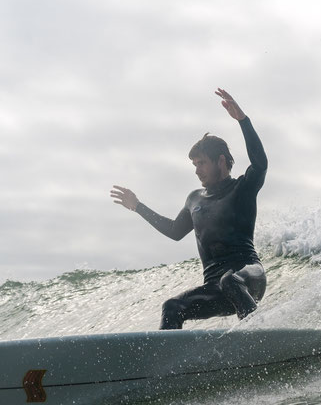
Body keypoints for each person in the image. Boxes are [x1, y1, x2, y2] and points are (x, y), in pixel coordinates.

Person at [110, 89, 268, 330]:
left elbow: (260, 163)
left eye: (202, 163)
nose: (196, 170)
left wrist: (243, 121)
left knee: (231, 282)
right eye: (194, 164)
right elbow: (174, 231)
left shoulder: (242, 189)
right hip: (216, 288)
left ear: (221, 161)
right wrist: (138, 207)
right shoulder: (195, 199)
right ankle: (167, 364)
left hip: (248, 277)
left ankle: (259, 337)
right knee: (172, 306)